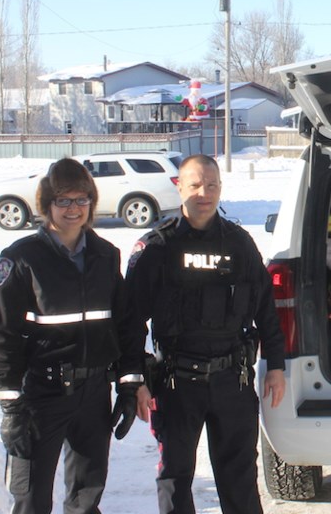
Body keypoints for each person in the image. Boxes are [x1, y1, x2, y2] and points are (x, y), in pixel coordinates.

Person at [0, 158, 145, 514]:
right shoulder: (22, 259)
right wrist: (10, 404)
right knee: (31, 497)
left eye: (81, 199)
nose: (74, 209)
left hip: (93, 396)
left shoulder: (105, 255)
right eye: (63, 200)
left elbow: (127, 326)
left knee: (87, 497)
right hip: (42, 395)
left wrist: (129, 384)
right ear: (46, 205)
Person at [126, 154, 286, 514]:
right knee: (175, 478)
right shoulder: (156, 250)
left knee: (239, 478)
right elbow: (131, 322)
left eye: (212, 185)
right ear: (178, 186)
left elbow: (266, 310)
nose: (204, 193)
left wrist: (276, 365)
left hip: (233, 380)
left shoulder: (239, 244)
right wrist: (134, 379)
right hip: (176, 384)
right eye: (195, 184)